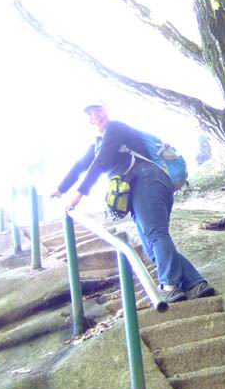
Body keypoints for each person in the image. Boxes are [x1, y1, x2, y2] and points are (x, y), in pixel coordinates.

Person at [52, 101, 215, 304]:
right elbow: (81, 165)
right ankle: (195, 284)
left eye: (98, 110)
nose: (95, 116)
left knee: (156, 234)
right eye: (90, 114)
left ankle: (170, 285)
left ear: (106, 110)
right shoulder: (97, 143)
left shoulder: (115, 128)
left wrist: (77, 196)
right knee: (150, 248)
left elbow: (100, 162)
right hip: (138, 187)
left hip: (147, 180)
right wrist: (60, 189)